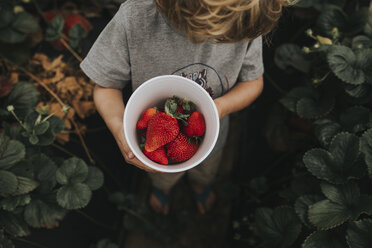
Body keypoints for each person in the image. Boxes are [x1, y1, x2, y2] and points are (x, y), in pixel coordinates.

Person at [80, 0, 288, 215]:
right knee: (161, 173)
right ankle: (163, 188)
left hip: (213, 132)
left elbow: (253, 82)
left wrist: (217, 109)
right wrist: (118, 127)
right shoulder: (135, 18)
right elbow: (106, 86)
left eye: (222, 37)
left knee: (207, 167)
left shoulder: (244, 21)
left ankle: (200, 184)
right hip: (155, 137)